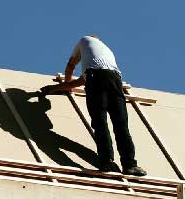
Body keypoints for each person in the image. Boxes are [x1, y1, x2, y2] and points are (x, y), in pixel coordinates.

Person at [40, 35, 146, 176]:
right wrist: (55, 88)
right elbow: (80, 81)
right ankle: (129, 165)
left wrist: (64, 85)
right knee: (121, 124)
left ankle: (107, 162)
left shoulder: (84, 40)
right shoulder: (105, 52)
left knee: (100, 121)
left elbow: (71, 65)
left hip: (97, 78)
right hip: (115, 80)